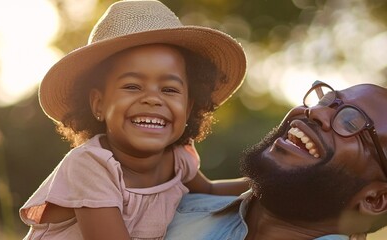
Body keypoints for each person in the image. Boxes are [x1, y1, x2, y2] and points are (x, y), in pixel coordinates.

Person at [165, 60, 387, 240]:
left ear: (375, 199)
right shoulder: (163, 204)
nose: (317, 112)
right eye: (326, 100)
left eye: (352, 121)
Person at [19, 0, 250, 239]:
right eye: (132, 86)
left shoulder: (177, 159)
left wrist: (262, 183)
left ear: (189, 106)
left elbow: (211, 190)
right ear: (99, 103)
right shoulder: (90, 165)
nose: (152, 99)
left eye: (169, 90)